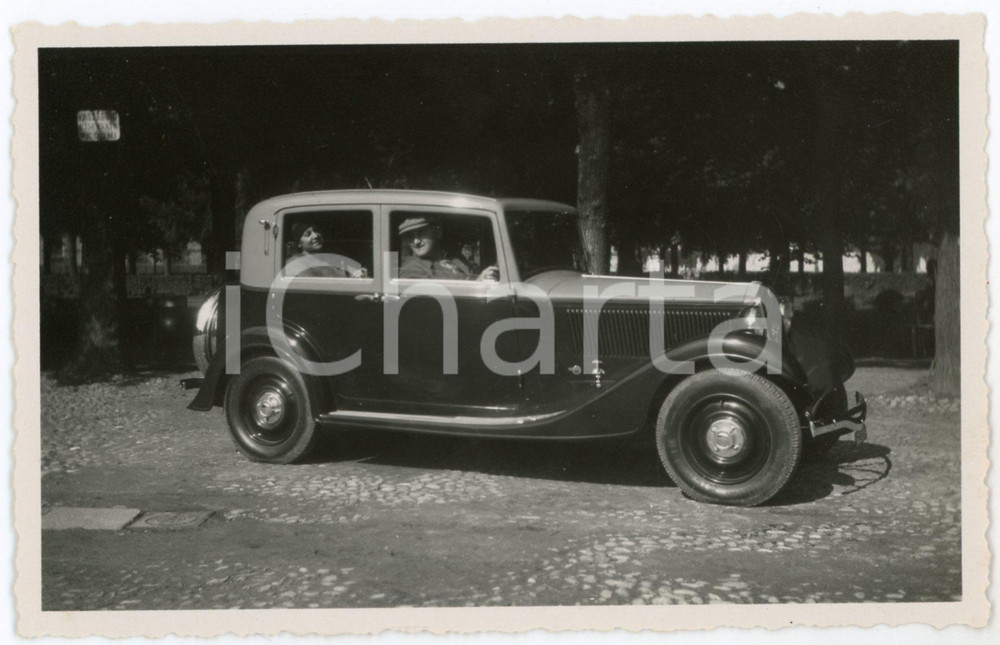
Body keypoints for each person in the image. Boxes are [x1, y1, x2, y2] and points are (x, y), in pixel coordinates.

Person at [397, 216, 497, 280]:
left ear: (438, 232)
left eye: (421, 233)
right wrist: (478, 283)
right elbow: (442, 297)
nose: (416, 242)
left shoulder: (452, 256)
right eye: (410, 236)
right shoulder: (411, 269)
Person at [285, 221, 368, 278]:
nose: (316, 236)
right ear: (299, 243)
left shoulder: (332, 256)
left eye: (316, 231)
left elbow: (352, 274)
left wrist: (359, 275)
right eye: (308, 234)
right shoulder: (295, 263)